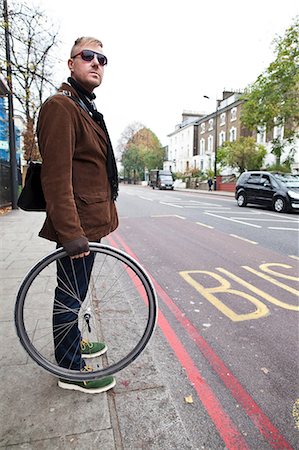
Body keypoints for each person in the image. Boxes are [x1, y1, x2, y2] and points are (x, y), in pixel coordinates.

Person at [37, 37, 119, 394]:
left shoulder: (82, 106)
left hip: (89, 220)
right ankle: (70, 369)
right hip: (78, 225)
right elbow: (55, 176)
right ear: (71, 64)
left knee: (75, 291)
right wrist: (70, 233)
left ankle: (71, 345)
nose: (96, 62)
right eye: (88, 56)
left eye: (102, 58)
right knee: (70, 294)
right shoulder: (61, 106)